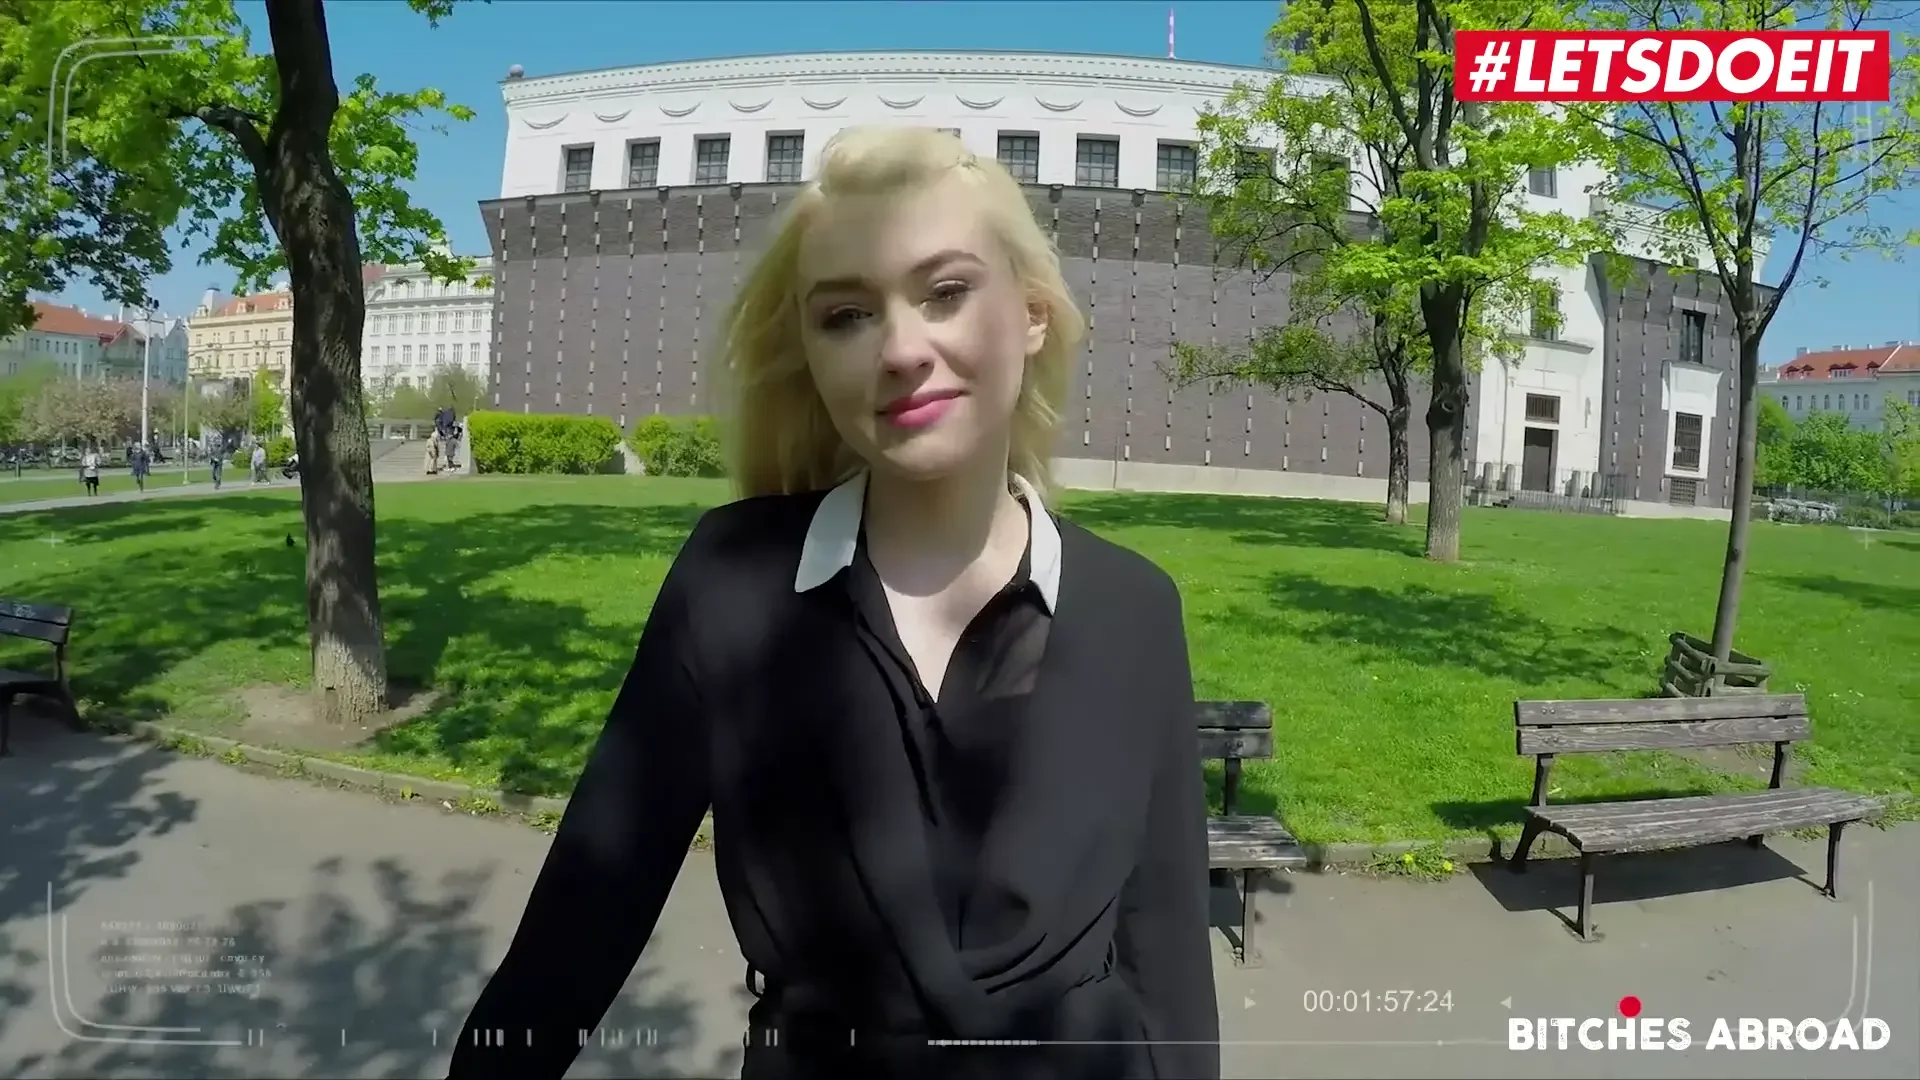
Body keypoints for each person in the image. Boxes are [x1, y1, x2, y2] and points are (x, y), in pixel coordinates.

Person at [448, 127, 1218, 1080]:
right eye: (847, 315)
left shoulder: (1136, 610)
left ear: (1031, 314)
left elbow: (1172, 970)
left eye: (945, 292)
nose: (900, 350)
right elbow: (579, 925)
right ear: (810, 355)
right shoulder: (733, 583)